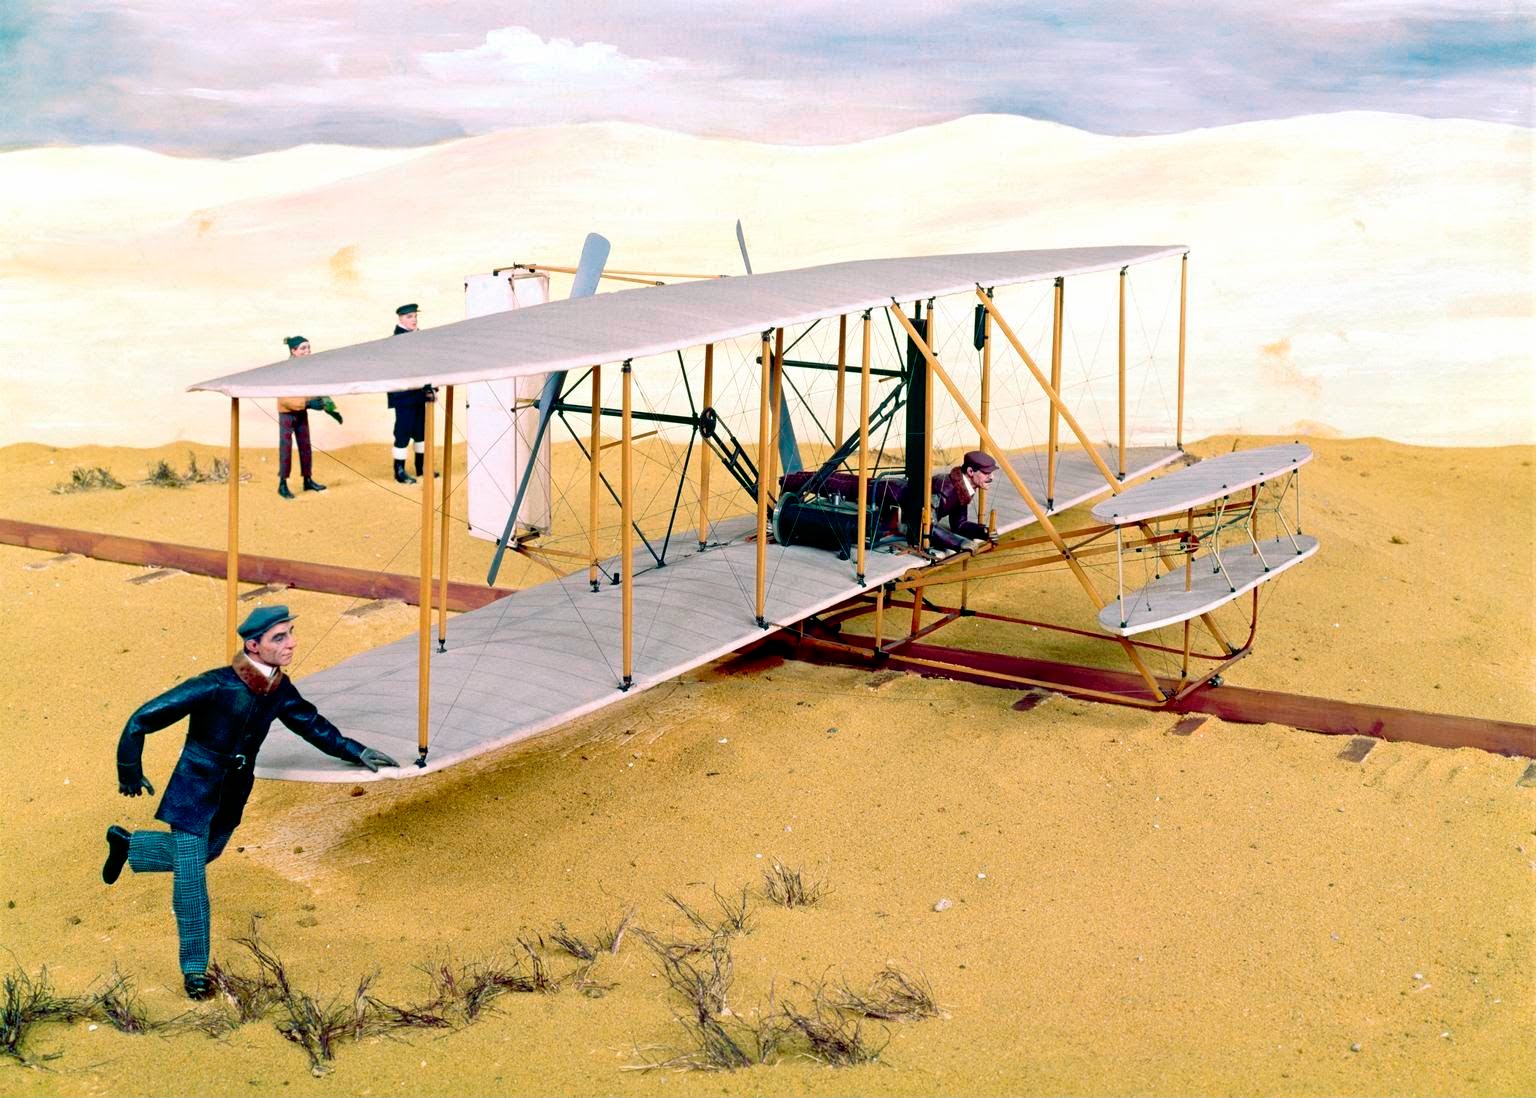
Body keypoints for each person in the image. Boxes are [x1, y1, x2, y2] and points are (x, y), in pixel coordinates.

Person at [101, 606, 398, 999]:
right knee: (191, 883)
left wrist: (355, 750)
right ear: (253, 645)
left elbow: (311, 724)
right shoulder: (214, 685)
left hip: (233, 793)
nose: (291, 643)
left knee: (207, 852)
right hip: (194, 791)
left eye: (290, 633)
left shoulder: (279, 689)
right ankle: (194, 970)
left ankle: (130, 846)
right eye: (280, 637)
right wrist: (129, 770)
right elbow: (142, 718)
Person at [275, 336, 340, 499]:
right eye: (303, 348)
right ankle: (282, 483)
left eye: (308, 348)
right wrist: (308, 404)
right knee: (286, 448)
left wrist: (326, 404)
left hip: (301, 412)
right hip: (287, 413)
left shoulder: (307, 369)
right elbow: (283, 397)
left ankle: (307, 479)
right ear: (293, 351)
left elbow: (312, 389)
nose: (307, 351)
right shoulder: (285, 370)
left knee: (305, 445)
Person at [385, 304, 435, 484]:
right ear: (400, 319)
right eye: (409, 317)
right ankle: (399, 471)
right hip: (404, 395)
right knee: (403, 432)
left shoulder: (419, 337)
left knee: (421, 431)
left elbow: (427, 364)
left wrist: (431, 385)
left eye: (415, 316)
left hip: (420, 393)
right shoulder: (396, 341)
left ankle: (421, 466)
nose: (413, 319)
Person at [928, 450, 997, 552]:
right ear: (970, 471)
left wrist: (984, 532)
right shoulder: (945, 491)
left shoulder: (962, 488)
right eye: (986, 473)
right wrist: (959, 543)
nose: (992, 477)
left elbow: (959, 524)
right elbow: (926, 526)